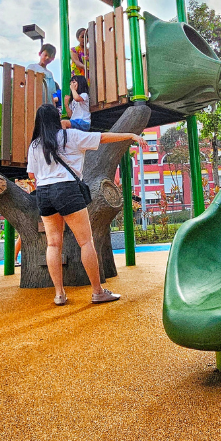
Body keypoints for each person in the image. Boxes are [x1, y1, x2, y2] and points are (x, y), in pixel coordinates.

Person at [27, 103, 141, 305]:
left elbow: (31, 174)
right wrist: (130, 135)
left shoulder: (35, 144)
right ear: (56, 119)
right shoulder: (70, 135)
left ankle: (59, 294)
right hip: (67, 189)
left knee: (53, 243)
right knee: (85, 242)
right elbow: (103, 138)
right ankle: (97, 292)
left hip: (43, 193)